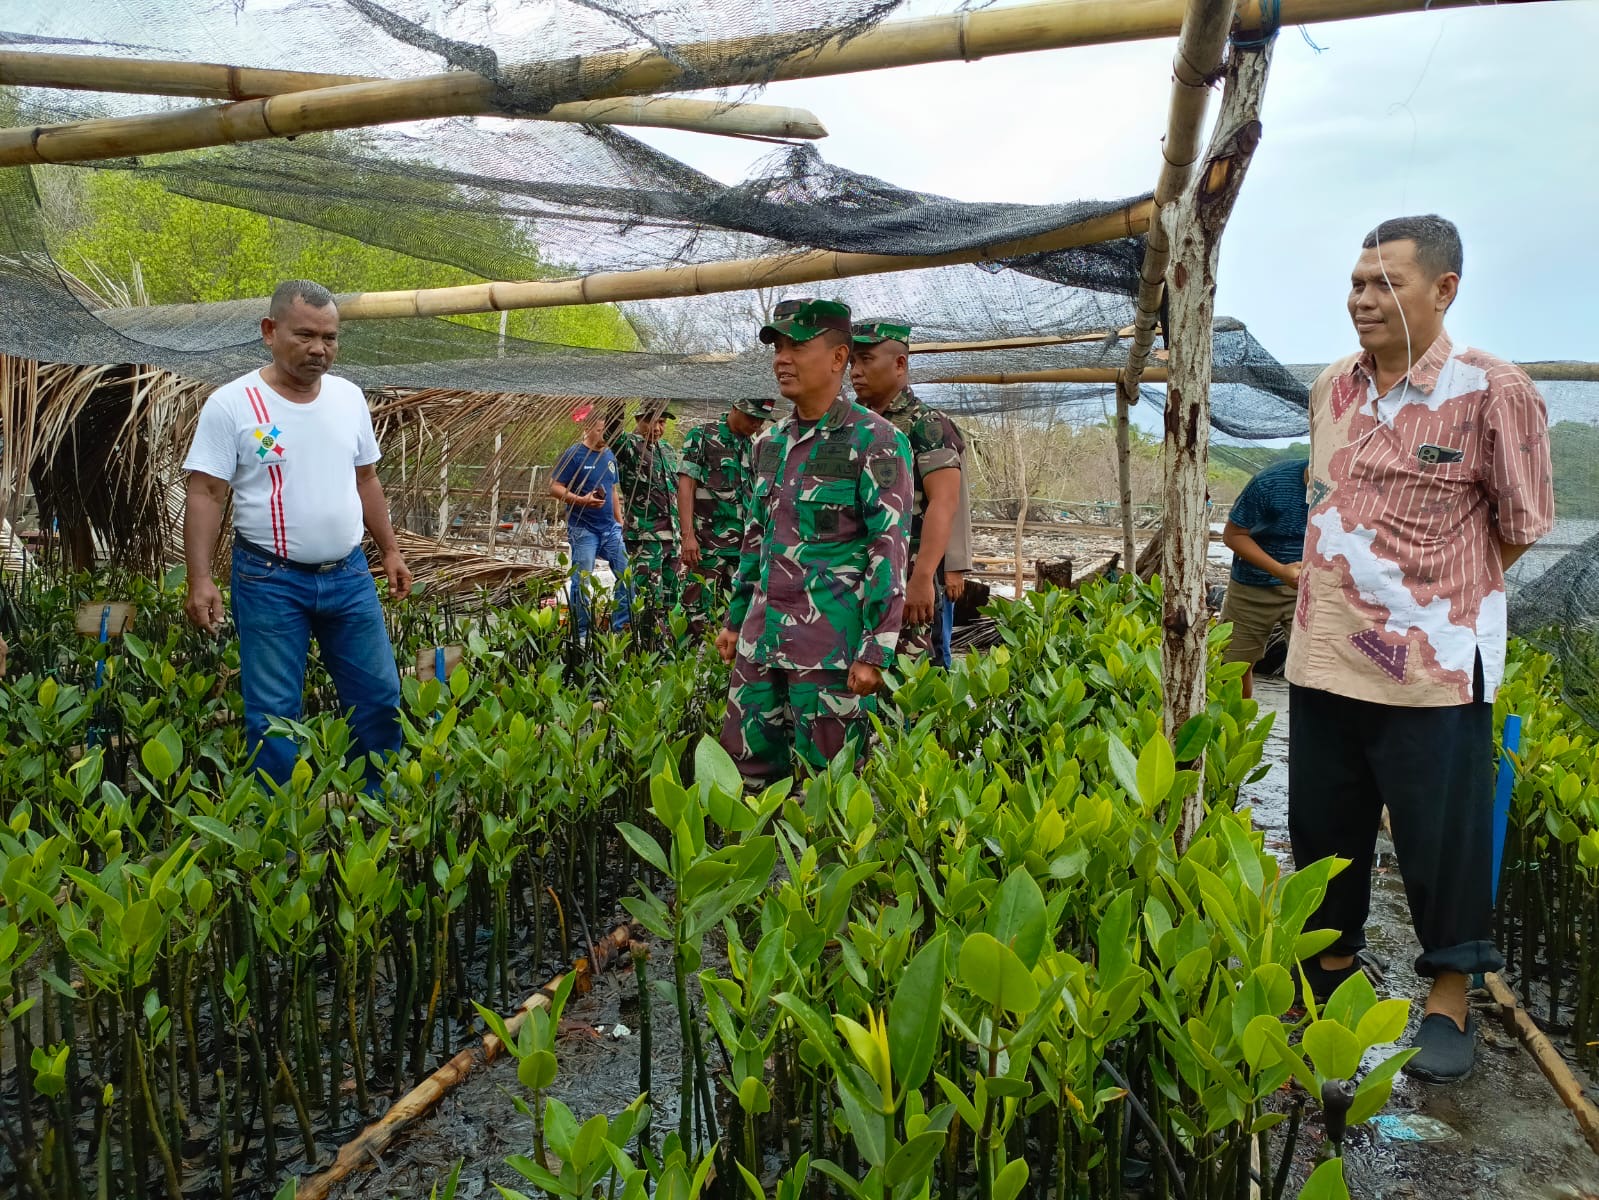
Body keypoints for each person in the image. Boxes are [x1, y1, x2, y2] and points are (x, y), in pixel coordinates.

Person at [1285, 215, 1554, 1084]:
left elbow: (1519, 525)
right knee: (1324, 823)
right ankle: (1327, 972)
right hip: (1323, 649)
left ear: (1443, 290)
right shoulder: (1331, 385)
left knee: (1440, 835)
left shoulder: (1492, 390)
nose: (1362, 298)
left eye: (1385, 283)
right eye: (1357, 281)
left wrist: (1424, 594)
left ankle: (1447, 992)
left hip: (1433, 664)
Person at [182, 279, 410, 787]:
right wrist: (200, 578)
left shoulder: (349, 398)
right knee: (275, 715)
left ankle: (373, 808)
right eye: (305, 335)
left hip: (349, 576)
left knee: (378, 696)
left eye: (329, 338)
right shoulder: (233, 404)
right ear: (269, 331)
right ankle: (283, 835)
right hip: (269, 579)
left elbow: (366, 477)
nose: (319, 349)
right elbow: (206, 494)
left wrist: (390, 549)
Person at [718, 298, 912, 785]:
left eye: (797, 346)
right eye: (778, 347)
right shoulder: (768, 443)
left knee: (827, 789)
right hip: (761, 642)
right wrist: (735, 619)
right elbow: (755, 539)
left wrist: (876, 649)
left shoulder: (876, 440)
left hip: (830, 649)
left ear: (838, 358)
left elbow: (888, 547)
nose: (782, 358)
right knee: (745, 778)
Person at [848, 319, 969, 660]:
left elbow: (944, 503)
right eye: (852, 362)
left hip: (905, 577)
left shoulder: (926, 425)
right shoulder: (852, 425)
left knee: (902, 678)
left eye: (866, 360)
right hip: (854, 577)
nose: (855, 371)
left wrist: (922, 578)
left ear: (899, 364)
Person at [677, 396, 775, 628]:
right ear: (734, 407)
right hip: (707, 544)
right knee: (697, 614)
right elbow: (686, 486)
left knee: (736, 615)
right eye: (752, 417)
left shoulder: (752, 445)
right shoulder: (702, 436)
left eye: (761, 420)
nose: (756, 424)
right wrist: (687, 535)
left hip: (743, 548)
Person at [1220, 458, 1310, 698]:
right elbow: (1232, 535)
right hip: (1252, 586)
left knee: (1314, 671)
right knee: (1233, 666)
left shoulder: (1354, 485)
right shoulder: (1269, 482)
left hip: (1313, 589)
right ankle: (1235, 732)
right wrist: (1279, 570)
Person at [549, 405, 633, 641]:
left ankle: (620, 628)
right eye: (600, 431)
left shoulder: (609, 455)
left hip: (609, 528)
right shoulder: (574, 454)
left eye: (608, 432)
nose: (605, 437)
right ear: (588, 428)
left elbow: (613, 490)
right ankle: (582, 632)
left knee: (626, 574)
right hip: (583, 528)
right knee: (582, 580)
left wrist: (620, 521)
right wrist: (581, 501)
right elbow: (554, 487)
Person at [613, 404, 680, 621]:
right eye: (654, 421)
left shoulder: (667, 450)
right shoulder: (629, 446)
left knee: (671, 596)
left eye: (662, 422)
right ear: (640, 420)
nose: (658, 427)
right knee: (649, 598)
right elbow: (611, 433)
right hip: (645, 536)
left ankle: (667, 647)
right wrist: (616, 402)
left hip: (672, 537)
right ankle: (646, 646)